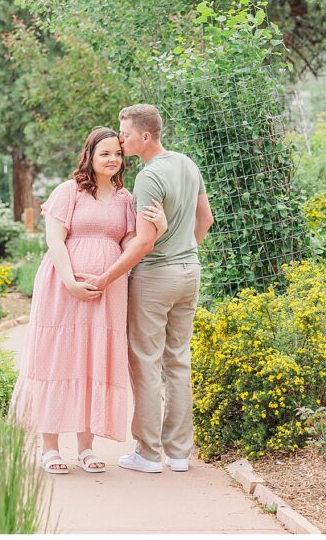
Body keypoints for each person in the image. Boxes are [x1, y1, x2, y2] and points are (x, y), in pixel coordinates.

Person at [10, 126, 167, 474]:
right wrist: (70, 281)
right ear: (90, 156)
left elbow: (132, 244)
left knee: (92, 361)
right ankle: (49, 447)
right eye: (104, 154)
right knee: (58, 360)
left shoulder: (126, 198)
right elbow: (54, 240)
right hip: (63, 288)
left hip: (107, 291)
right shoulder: (70, 191)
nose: (112, 159)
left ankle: (85, 446)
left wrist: (159, 230)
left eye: (117, 153)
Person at [88, 104, 214, 474]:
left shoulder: (148, 178)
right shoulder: (187, 164)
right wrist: (183, 251)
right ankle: (178, 454)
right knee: (178, 362)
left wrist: (107, 278)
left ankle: (147, 453)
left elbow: (143, 243)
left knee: (145, 364)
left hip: (155, 278)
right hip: (189, 272)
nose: (120, 139)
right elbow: (204, 219)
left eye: (124, 133)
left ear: (145, 136)